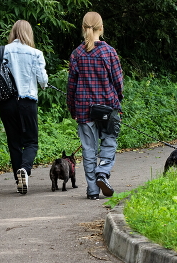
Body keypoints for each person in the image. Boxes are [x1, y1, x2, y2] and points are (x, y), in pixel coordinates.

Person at [67, 12, 124, 200]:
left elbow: (71, 87)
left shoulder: (77, 53)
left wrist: (72, 109)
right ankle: (102, 172)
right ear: (101, 28)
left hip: (84, 109)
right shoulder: (109, 52)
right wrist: (118, 102)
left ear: (84, 28)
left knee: (88, 150)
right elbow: (118, 83)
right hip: (107, 107)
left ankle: (92, 190)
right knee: (109, 141)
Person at [0, 20, 48, 194]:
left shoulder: (2, 51)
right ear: (29, 33)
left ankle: (18, 178)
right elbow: (43, 80)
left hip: (6, 102)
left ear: (13, 32)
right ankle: (25, 169)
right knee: (31, 141)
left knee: (14, 141)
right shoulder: (36, 53)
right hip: (27, 101)